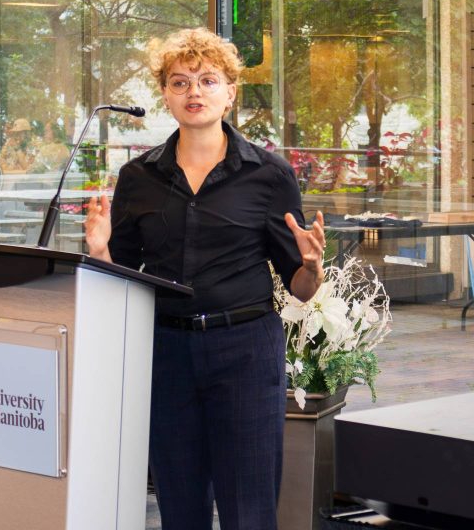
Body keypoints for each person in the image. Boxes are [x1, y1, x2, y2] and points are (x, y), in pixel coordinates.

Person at [84, 27, 325, 530]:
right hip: (166, 352)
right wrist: (102, 250)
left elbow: (300, 289)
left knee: (249, 506)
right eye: (180, 82)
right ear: (166, 94)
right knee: (180, 504)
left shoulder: (269, 175)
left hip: (245, 350)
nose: (194, 92)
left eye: (208, 80)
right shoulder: (138, 177)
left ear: (230, 93)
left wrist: (310, 267)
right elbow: (119, 280)